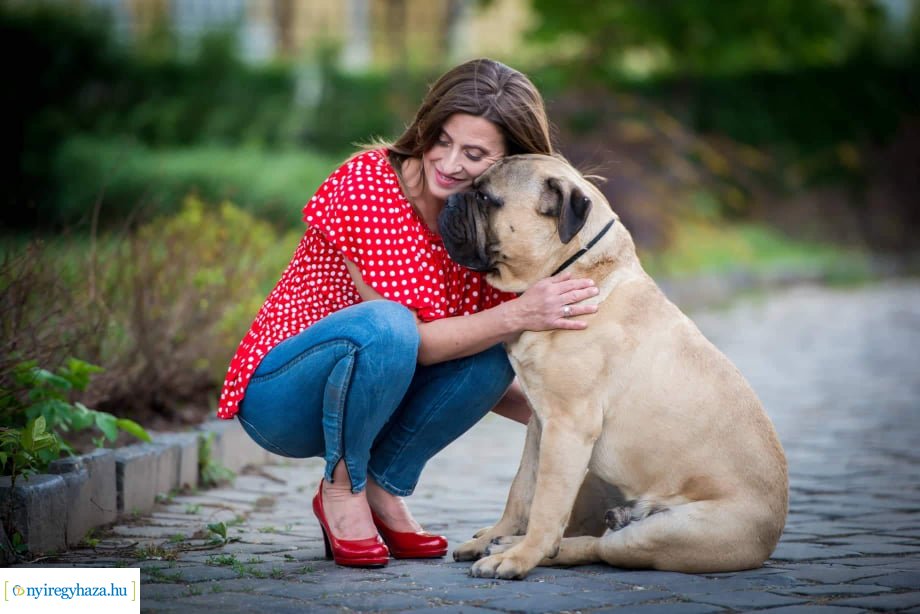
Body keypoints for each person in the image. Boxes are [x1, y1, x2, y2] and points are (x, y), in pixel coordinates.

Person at [217, 58, 599, 568]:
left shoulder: (478, 228)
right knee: (392, 323)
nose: (449, 162)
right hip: (287, 395)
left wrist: (581, 423)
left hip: (379, 395)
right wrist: (520, 314)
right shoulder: (368, 184)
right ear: (426, 124)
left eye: (475, 153)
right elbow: (410, 342)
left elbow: (475, 368)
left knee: (497, 349)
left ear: (509, 162)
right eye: (442, 139)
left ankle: (380, 486)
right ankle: (341, 488)